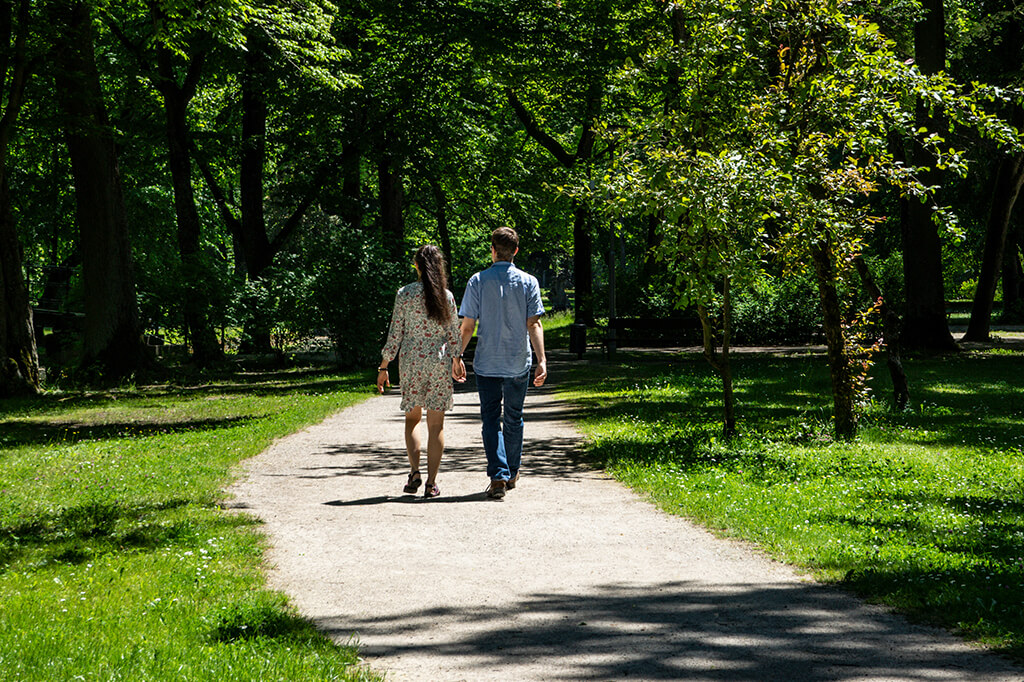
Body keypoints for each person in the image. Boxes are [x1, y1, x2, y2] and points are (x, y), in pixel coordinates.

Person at [453, 227, 546, 500]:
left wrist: (456, 356)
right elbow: (534, 324)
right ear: (516, 251)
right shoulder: (529, 282)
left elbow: (467, 326)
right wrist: (542, 360)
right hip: (518, 360)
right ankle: (512, 471)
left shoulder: (478, 281)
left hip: (487, 362)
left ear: (492, 250)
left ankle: (498, 476)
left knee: (491, 418)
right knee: (514, 417)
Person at [378, 245, 462, 499]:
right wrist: (457, 359)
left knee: (412, 419)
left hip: (411, 361)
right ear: (439, 268)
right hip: (438, 361)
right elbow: (453, 332)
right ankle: (431, 483)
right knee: (436, 425)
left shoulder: (404, 294)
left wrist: (384, 366)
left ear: (416, 266)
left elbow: (395, 332)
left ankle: (414, 472)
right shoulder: (445, 296)